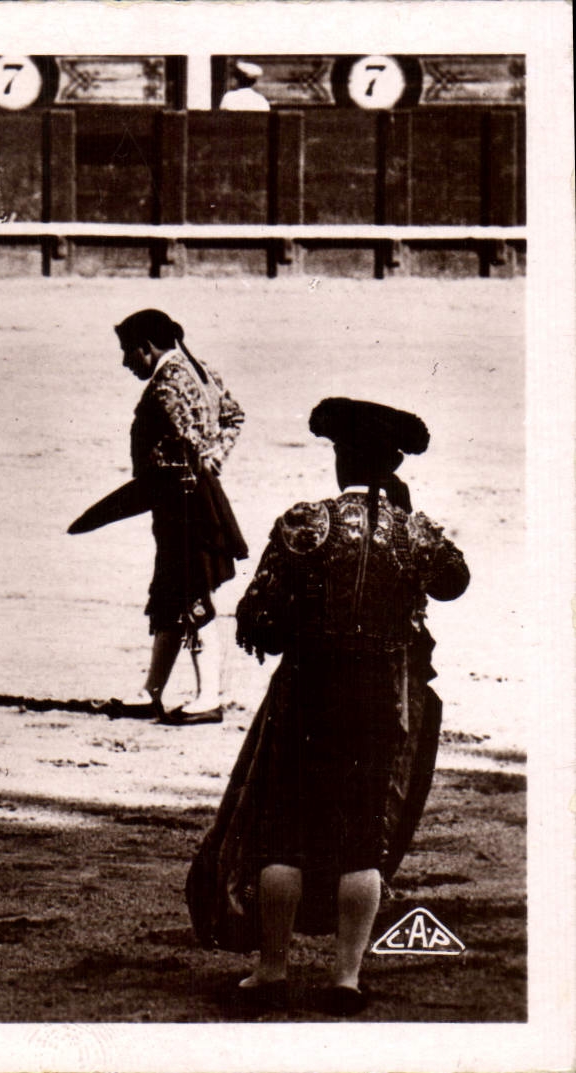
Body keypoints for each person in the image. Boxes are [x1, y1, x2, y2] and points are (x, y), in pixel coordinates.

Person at [186, 397, 469, 1017]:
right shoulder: (416, 534)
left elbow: (256, 618)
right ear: (392, 464)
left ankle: (273, 971)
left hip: (310, 697)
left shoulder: (305, 524)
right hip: (378, 702)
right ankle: (345, 977)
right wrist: (404, 526)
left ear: (343, 459)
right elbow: (454, 580)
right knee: (361, 840)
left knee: (286, 834)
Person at [115, 309, 247, 725]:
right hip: (196, 495)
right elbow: (233, 418)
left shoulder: (166, 386)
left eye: (128, 352)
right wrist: (213, 461)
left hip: (183, 504)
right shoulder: (200, 370)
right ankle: (151, 692)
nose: (125, 361)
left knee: (191, 593)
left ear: (148, 347)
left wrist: (187, 470)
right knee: (173, 593)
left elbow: (184, 444)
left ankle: (208, 697)